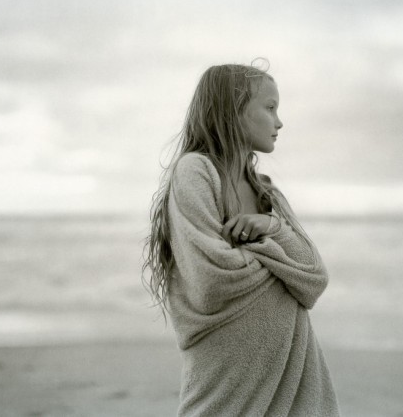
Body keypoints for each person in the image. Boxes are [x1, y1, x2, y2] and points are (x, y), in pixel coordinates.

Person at [143, 62, 340, 416]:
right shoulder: (196, 171)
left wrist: (271, 227)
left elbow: (313, 278)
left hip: (289, 373)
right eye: (269, 107)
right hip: (225, 374)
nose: (279, 122)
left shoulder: (268, 195)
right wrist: (280, 266)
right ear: (232, 111)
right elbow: (212, 278)